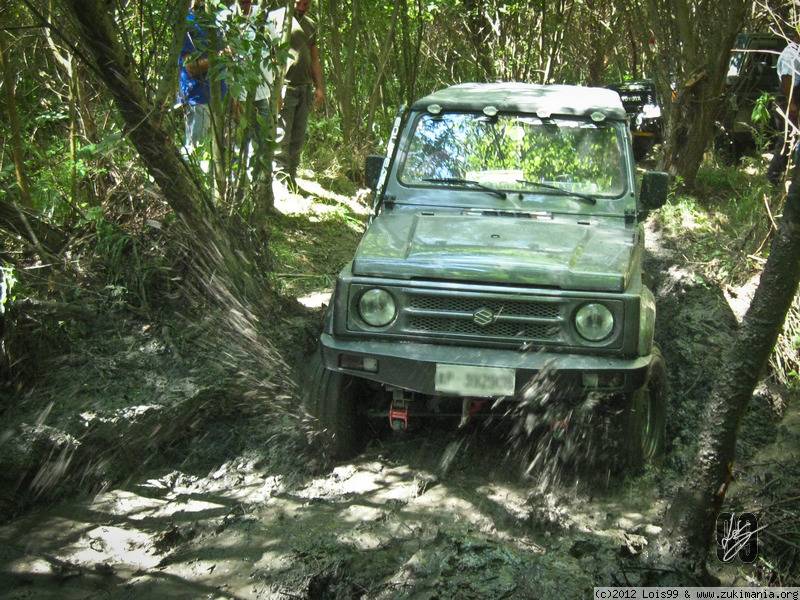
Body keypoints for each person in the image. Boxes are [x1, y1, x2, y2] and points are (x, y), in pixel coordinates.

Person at [218, 0, 279, 182]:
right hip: (239, 94)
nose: (245, 3)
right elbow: (222, 56)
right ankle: (237, 186)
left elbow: (274, 51)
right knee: (239, 142)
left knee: (263, 141)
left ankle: (260, 185)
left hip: (263, 92)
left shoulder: (264, 18)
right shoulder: (225, 18)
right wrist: (232, 94)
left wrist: (275, 88)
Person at [271, 0, 325, 187]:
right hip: (286, 87)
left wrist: (319, 88)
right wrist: (276, 89)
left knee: (298, 136)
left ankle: (291, 179)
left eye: (307, 2)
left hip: (305, 87)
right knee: (282, 135)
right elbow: (269, 54)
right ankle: (279, 179)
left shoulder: (310, 24)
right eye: (300, 2)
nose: (303, 5)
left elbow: (314, 59)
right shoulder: (277, 18)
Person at [178, 1, 219, 156]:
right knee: (196, 151)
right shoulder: (187, 22)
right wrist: (220, 57)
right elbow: (190, 67)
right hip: (198, 97)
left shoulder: (214, 19)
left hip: (218, 97)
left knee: (214, 154)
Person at [767, 37, 800, 186]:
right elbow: (787, 79)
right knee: (787, 140)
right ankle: (773, 178)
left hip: (794, 98)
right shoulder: (790, 54)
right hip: (788, 100)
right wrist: (792, 104)